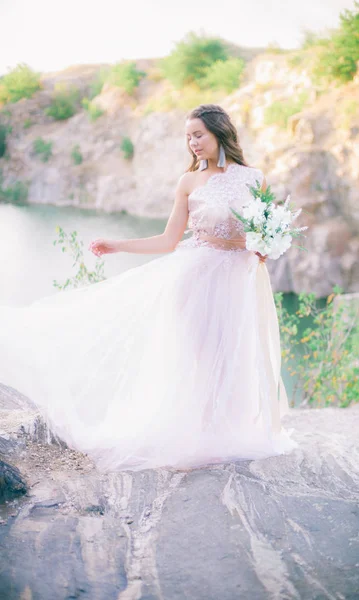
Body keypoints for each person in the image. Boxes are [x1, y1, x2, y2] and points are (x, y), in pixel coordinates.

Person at [0, 103, 298, 472]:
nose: (192, 143)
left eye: (198, 134)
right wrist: (118, 245)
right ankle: (201, 438)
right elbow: (168, 240)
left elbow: (260, 231)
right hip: (197, 280)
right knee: (200, 359)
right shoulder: (188, 182)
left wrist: (263, 245)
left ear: (220, 132)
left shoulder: (255, 178)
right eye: (188, 136)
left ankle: (231, 432)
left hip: (240, 280)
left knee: (237, 355)